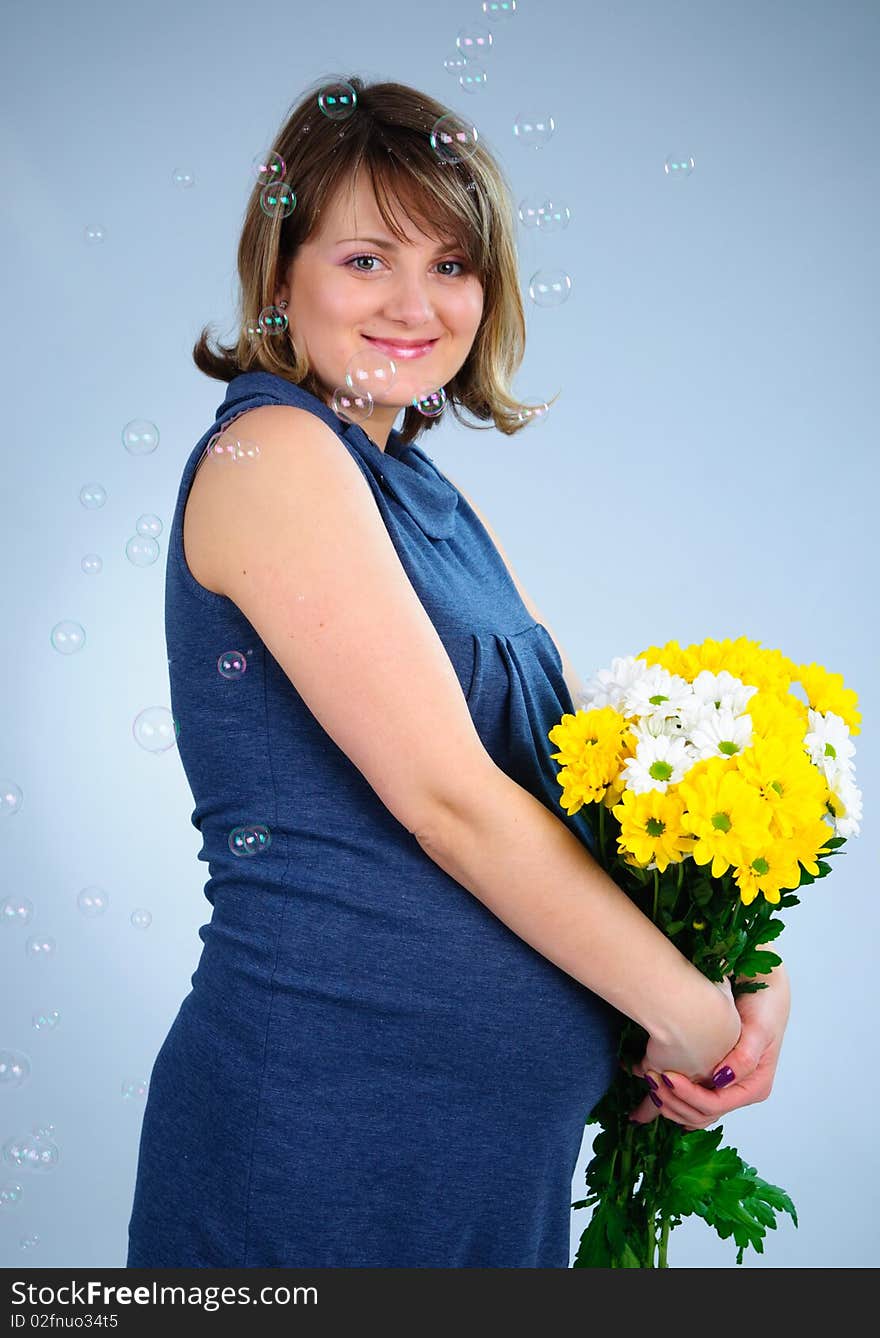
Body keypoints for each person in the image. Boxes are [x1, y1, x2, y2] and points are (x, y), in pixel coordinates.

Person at [125, 74, 791, 1269]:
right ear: (282, 274)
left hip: (473, 1158)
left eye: (451, 264)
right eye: (367, 260)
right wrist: (684, 1015)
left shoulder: (421, 490)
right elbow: (451, 804)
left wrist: (738, 971)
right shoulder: (272, 451)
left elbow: (578, 781)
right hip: (327, 1145)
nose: (415, 304)